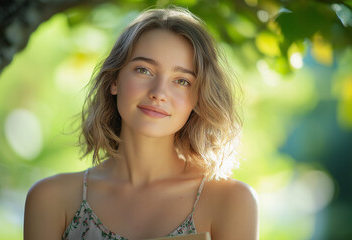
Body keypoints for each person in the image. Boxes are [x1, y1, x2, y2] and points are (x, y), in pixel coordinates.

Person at [24, 6, 258, 240]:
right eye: (144, 70)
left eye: (181, 81)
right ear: (114, 80)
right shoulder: (52, 200)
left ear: (198, 97)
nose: (159, 92)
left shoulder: (231, 201)